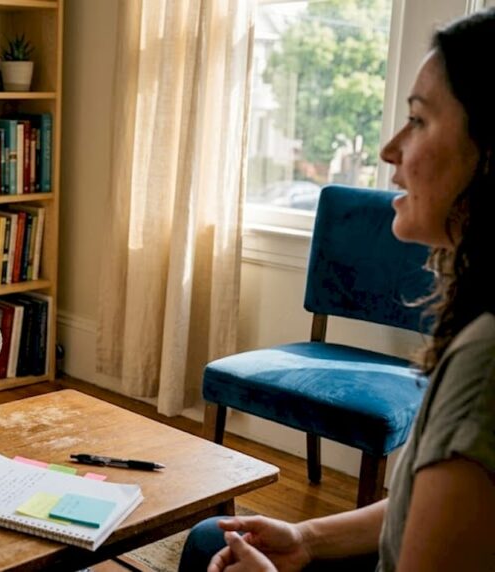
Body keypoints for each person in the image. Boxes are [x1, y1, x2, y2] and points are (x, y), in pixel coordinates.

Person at [180, 8, 495, 572]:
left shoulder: (485, 368)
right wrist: (305, 539)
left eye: (419, 120)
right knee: (212, 535)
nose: (389, 149)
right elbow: (415, 508)